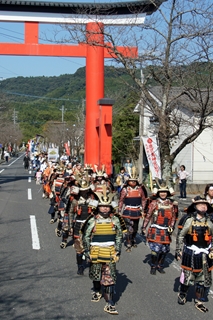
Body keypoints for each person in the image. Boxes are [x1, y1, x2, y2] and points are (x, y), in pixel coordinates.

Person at [82, 191, 126, 315]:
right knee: (96, 274)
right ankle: (97, 290)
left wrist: (118, 251)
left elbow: (119, 236)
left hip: (110, 251)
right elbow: (85, 236)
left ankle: (110, 303)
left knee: (109, 277)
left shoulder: (116, 219)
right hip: (95, 251)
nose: (105, 208)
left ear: (111, 207)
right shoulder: (92, 220)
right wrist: (87, 251)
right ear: (98, 207)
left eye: (107, 206)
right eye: (102, 206)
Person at [175, 196, 213, 313]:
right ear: (195, 207)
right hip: (190, 252)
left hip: (205, 254)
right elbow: (181, 235)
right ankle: (183, 293)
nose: (203, 206)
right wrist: (178, 250)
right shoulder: (189, 220)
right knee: (187, 276)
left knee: (203, 278)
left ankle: (199, 300)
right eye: (201, 204)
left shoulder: (210, 222)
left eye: (205, 204)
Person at [142, 181, 178, 274]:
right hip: (156, 229)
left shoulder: (171, 204)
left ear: (167, 193)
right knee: (155, 250)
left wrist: (172, 226)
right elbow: (149, 215)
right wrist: (144, 227)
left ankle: (160, 265)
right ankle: (153, 266)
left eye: (165, 192)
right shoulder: (154, 203)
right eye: (161, 192)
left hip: (166, 230)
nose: (163, 194)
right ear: (158, 193)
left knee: (164, 250)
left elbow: (174, 217)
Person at [118, 167, 147, 252]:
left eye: (134, 181)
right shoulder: (125, 189)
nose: (133, 182)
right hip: (128, 210)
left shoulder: (140, 189)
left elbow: (143, 199)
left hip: (137, 210)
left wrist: (143, 209)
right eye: (131, 181)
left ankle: (133, 238)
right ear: (128, 181)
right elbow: (121, 200)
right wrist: (119, 210)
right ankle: (128, 242)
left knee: (135, 227)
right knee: (128, 228)